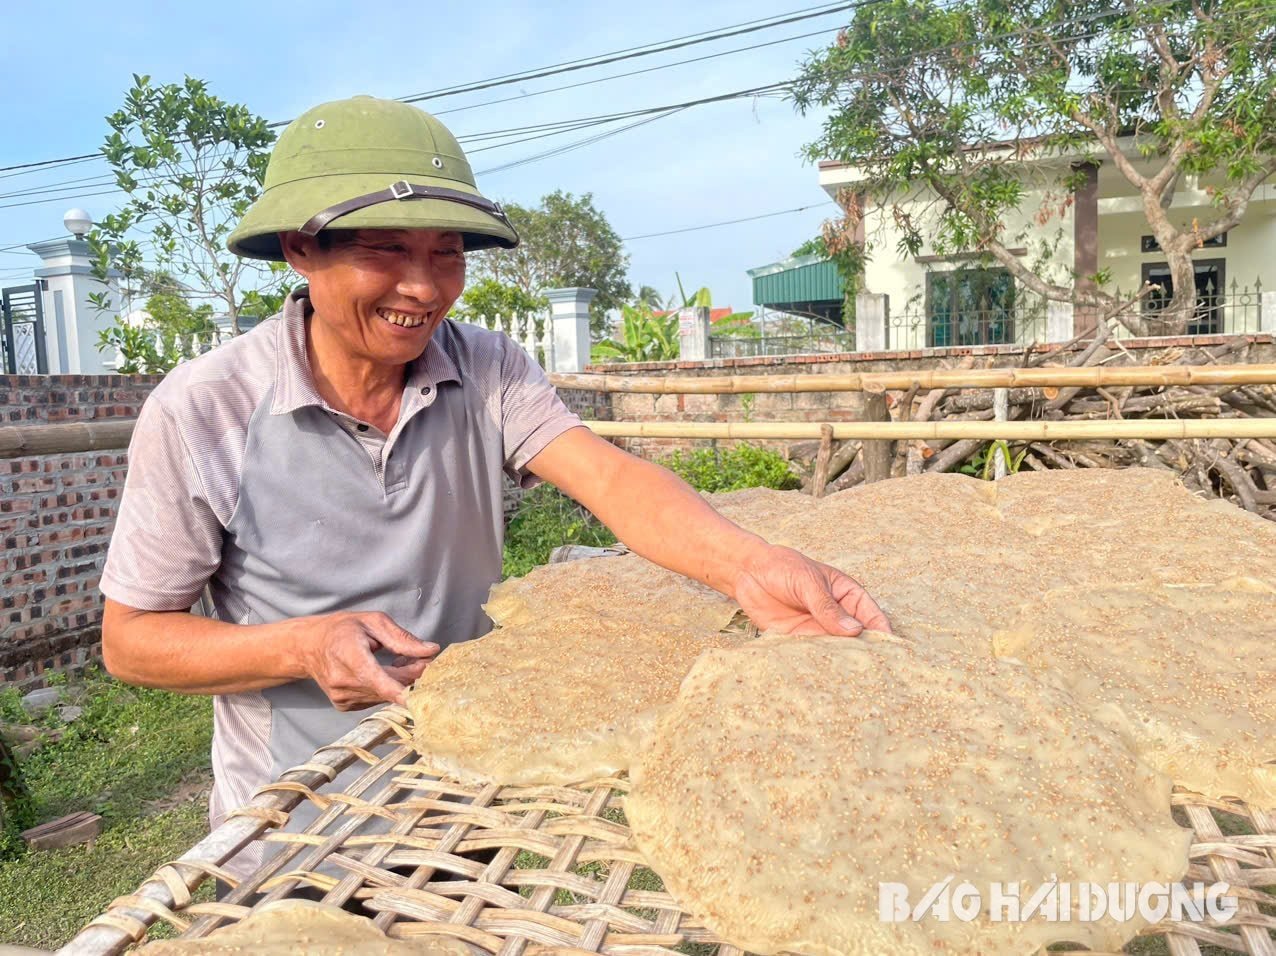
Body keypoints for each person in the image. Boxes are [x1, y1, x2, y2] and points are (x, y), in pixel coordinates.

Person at [99, 96, 891, 859]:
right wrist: (305, 647)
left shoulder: (486, 367)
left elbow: (611, 482)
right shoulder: (204, 412)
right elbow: (132, 643)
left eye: (446, 252)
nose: (424, 287)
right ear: (300, 252)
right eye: (386, 249)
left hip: (465, 797)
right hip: (294, 824)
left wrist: (755, 567)